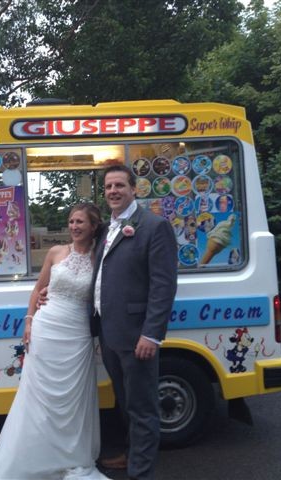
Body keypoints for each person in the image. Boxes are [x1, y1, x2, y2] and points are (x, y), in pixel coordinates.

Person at [0, 203, 110, 480]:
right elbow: (37, 289)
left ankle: (69, 456)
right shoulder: (56, 253)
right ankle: (33, 457)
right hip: (46, 328)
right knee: (39, 397)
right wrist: (29, 320)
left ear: (93, 226)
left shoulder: (100, 260)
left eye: (80, 222)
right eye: (71, 221)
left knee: (72, 400)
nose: (74, 226)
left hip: (77, 334)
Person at [93, 164, 178, 480]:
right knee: (125, 402)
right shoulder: (106, 228)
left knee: (143, 408)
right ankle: (131, 455)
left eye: (119, 185)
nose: (113, 191)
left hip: (136, 334)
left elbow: (163, 285)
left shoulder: (154, 227)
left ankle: (141, 473)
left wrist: (152, 335)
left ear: (134, 189)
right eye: (108, 187)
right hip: (110, 333)